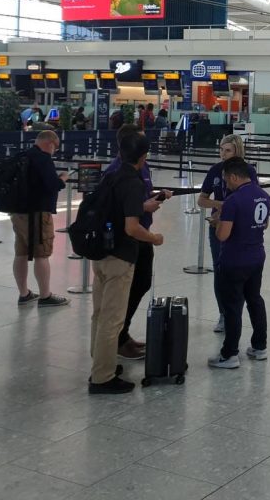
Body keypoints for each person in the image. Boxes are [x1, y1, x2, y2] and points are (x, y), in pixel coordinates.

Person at [89, 131, 164, 394]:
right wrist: (154, 237)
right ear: (143, 157)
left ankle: (100, 363)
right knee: (112, 319)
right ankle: (102, 378)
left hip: (101, 251)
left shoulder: (112, 175)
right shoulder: (131, 181)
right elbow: (132, 227)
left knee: (99, 314)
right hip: (120, 255)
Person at [104, 124, 172, 360]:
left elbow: (140, 196)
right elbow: (119, 209)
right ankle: (118, 339)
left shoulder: (141, 167)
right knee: (127, 289)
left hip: (142, 231)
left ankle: (123, 334)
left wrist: (156, 198)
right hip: (130, 236)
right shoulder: (115, 171)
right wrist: (145, 209)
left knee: (141, 283)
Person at [208, 158, 270, 369]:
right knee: (255, 299)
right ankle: (260, 346)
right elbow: (265, 224)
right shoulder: (264, 196)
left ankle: (229, 354)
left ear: (234, 177)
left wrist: (217, 223)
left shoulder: (233, 201)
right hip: (257, 256)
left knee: (233, 307)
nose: (226, 184)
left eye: (227, 180)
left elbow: (223, 236)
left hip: (234, 260)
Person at [198, 135, 259, 333]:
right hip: (218, 226)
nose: (222, 154)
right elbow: (202, 200)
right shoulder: (215, 171)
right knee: (220, 271)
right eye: (221, 150)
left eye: (228, 151)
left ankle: (235, 314)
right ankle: (224, 314)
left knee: (239, 272)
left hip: (240, 228)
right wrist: (220, 205)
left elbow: (255, 198)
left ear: (237, 151)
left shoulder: (248, 171)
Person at [10, 130, 70, 308]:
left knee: (21, 252)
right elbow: (52, 185)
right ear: (50, 143)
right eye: (55, 147)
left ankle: (24, 293)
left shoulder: (23, 156)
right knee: (41, 254)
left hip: (18, 212)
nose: (54, 151)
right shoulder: (43, 159)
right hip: (37, 214)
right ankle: (45, 296)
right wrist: (63, 179)